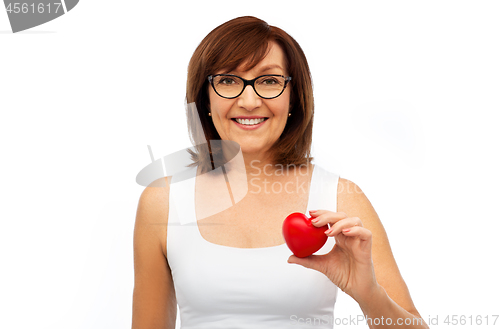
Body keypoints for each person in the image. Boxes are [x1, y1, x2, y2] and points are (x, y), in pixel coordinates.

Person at [132, 16, 429, 329]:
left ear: (293, 97)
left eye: (270, 81)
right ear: (205, 96)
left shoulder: (342, 200)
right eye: (228, 80)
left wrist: (369, 294)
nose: (249, 101)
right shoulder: (162, 201)